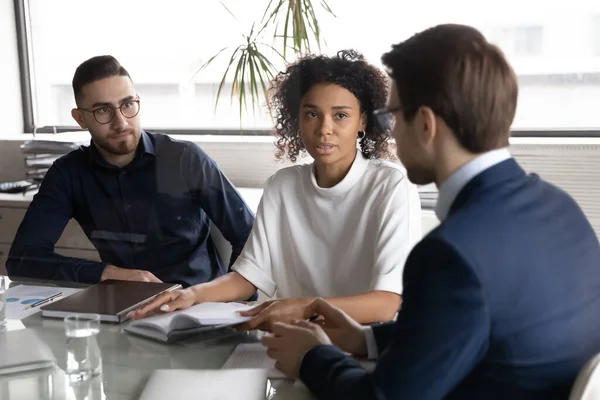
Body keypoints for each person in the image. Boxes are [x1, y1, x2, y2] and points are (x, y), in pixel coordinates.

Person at [261, 24, 600, 399]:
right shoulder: (560, 207)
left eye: (391, 116)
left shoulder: (450, 253)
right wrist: (367, 339)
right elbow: (474, 323)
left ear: (424, 125)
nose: (388, 132)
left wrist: (312, 356)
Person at [131, 50, 422, 329]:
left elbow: (385, 303)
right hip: (291, 340)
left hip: (364, 345)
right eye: (311, 114)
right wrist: (192, 294)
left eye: (340, 115)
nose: (324, 128)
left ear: (363, 121)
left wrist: (306, 307)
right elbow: (248, 277)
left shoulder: (390, 187)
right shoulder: (282, 186)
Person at [6, 55, 255, 288]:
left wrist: (234, 301)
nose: (121, 122)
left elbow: (249, 237)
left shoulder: (184, 159)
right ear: (80, 119)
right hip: (123, 311)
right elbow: (23, 260)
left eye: (127, 104)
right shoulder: (68, 174)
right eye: (103, 110)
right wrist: (109, 273)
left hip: (200, 305)